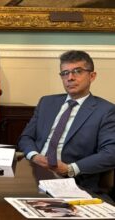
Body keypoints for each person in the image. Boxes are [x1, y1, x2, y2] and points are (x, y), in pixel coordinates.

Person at [18, 50, 115, 193]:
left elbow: (111, 153)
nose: (70, 78)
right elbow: (26, 137)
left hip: (74, 182)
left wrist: (70, 169)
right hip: (33, 173)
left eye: (77, 71)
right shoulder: (46, 102)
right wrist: (34, 156)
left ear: (92, 76)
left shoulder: (105, 111)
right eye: (65, 73)